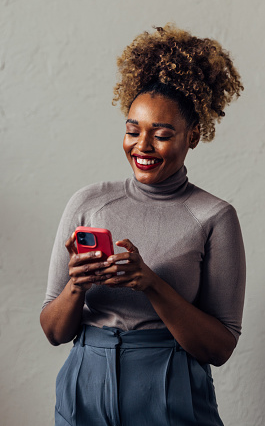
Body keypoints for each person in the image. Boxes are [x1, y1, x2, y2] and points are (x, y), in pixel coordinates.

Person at [40, 24, 246, 426]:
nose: (143, 146)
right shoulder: (88, 201)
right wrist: (77, 285)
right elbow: (53, 331)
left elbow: (220, 348)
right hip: (85, 387)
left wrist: (150, 282)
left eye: (162, 134)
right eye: (133, 130)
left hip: (169, 390)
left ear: (195, 136)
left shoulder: (215, 216)